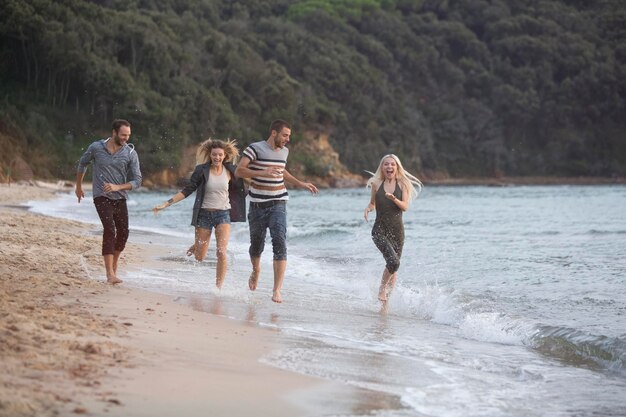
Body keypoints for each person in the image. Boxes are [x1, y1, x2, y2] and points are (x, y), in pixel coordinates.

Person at [235, 119, 318, 303]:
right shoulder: (254, 148)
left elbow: (283, 172)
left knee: (279, 240)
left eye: (289, 136)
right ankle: (256, 270)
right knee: (256, 246)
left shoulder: (285, 151)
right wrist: (262, 173)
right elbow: (240, 171)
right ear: (274, 133)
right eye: (285, 135)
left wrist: (301, 183)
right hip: (257, 204)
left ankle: (276, 290)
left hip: (278, 202)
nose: (288, 139)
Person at [152, 139, 245, 289]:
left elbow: (242, 189)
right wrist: (167, 203)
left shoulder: (231, 170)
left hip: (223, 215)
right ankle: (197, 245)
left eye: (220, 155)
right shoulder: (202, 170)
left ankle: (219, 287)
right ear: (210, 155)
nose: (217, 158)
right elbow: (187, 190)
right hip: (204, 215)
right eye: (214, 155)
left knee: (221, 252)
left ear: (225, 155)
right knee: (199, 257)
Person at [76, 119, 142, 284]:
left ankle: (114, 263)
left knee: (123, 233)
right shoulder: (96, 147)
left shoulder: (130, 153)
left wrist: (117, 187)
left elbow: (138, 181)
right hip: (101, 195)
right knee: (109, 229)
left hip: (119, 197)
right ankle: (109, 273)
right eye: (122, 135)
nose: (125, 138)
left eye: (128, 135)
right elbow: (83, 163)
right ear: (114, 133)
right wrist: (78, 186)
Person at [363, 154, 422, 307]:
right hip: (379, 230)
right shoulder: (376, 183)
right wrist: (368, 209)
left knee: (393, 268)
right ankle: (381, 290)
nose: (389, 167)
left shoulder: (403, 184)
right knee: (393, 261)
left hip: (397, 232)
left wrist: (394, 199)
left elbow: (405, 207)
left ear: (397, 167)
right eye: (386, 164)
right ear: (382, 167)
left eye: (392, 164)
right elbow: (372, 203)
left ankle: (384, 305)